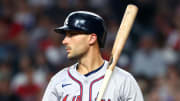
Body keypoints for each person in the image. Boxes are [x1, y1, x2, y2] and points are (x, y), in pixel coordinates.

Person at [42, 11, 144, 101]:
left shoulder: (123, 80)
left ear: (92, 39)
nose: (64, 41)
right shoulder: (58, 80)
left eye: (71, 35)